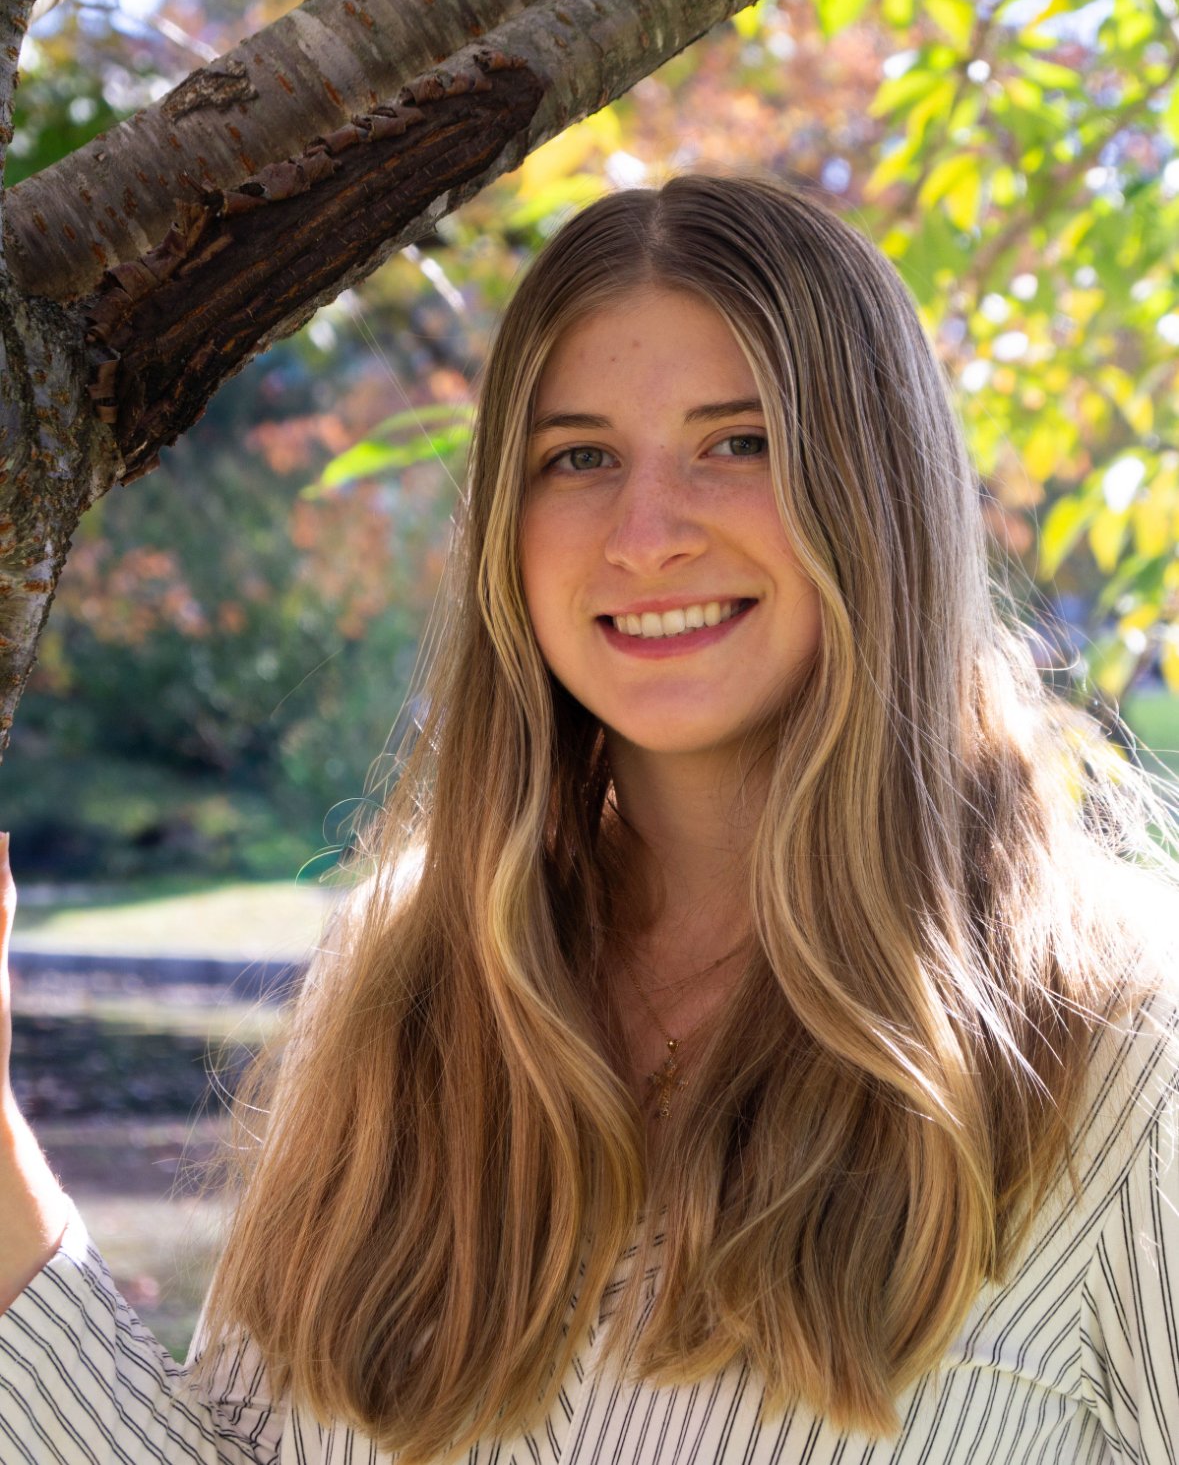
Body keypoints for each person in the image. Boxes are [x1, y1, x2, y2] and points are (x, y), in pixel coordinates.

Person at [2, 172, 1179, 1465]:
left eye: (742, 442)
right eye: (579, 458)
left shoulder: (1122, 1050)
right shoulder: (409, 982)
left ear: (882, 492)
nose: (645, 533)